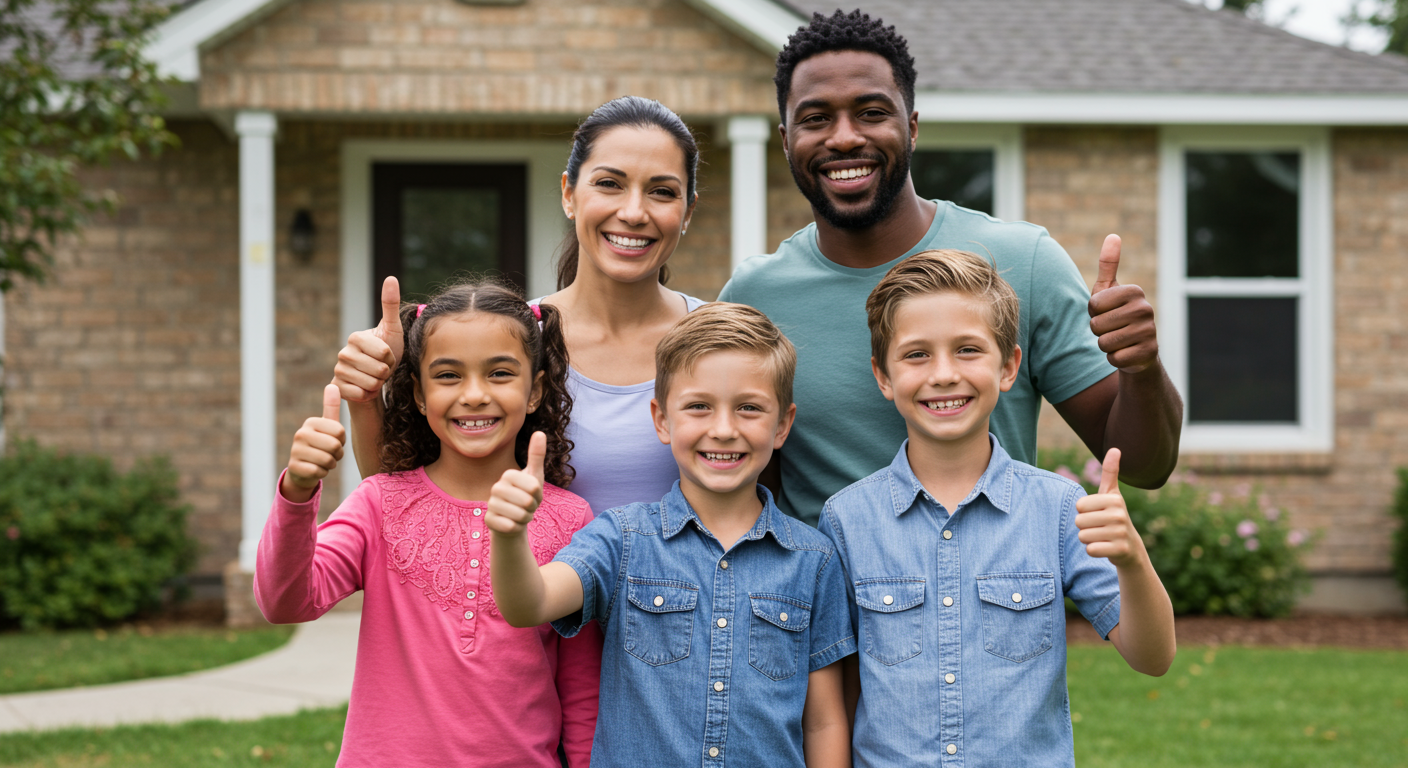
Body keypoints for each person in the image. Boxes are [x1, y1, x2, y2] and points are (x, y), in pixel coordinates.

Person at [718, 9, 1183, 525]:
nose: (844, 137)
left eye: (871, 112)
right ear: (786, 141)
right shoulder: (753, 299)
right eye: (816, 119)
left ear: (912, 128)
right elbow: (750, 498)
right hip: (829, 580)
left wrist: (1142, 368)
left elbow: (1143, 466)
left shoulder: (1024, 263)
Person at [819, 250, 1176, 767]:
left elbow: (1153, 657)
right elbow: (837, 692)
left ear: (1008, 366)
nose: (944, 374)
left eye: (968, 350)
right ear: (884, 376)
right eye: (917, 355)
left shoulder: (1059, 510)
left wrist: (1132, 559)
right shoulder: (846, 520)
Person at [487, 304, 855, 768]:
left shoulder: (814, 559)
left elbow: (823, 722)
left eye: (749, 408)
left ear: (782, 424)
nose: (724, 430)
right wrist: (509, 535)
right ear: (662, 419)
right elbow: (529, 604)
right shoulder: (622, 539)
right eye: (699, 406)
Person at [255, 280, 601, 768]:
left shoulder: (570, 518)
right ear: (419, 394)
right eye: (448, 375)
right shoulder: (379, 503)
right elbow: (284, 602)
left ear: (535, 391)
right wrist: (297, 490)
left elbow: (582, 691)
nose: (474, 395)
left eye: (500, 373)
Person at [334, 96, 706, 515]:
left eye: (662, 192)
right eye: (609, 184)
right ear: (569, 194)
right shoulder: (514, 337)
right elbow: (405, 504)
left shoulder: (721, 342)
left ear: (687, 211)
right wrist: (366, 399)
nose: (634, 212)